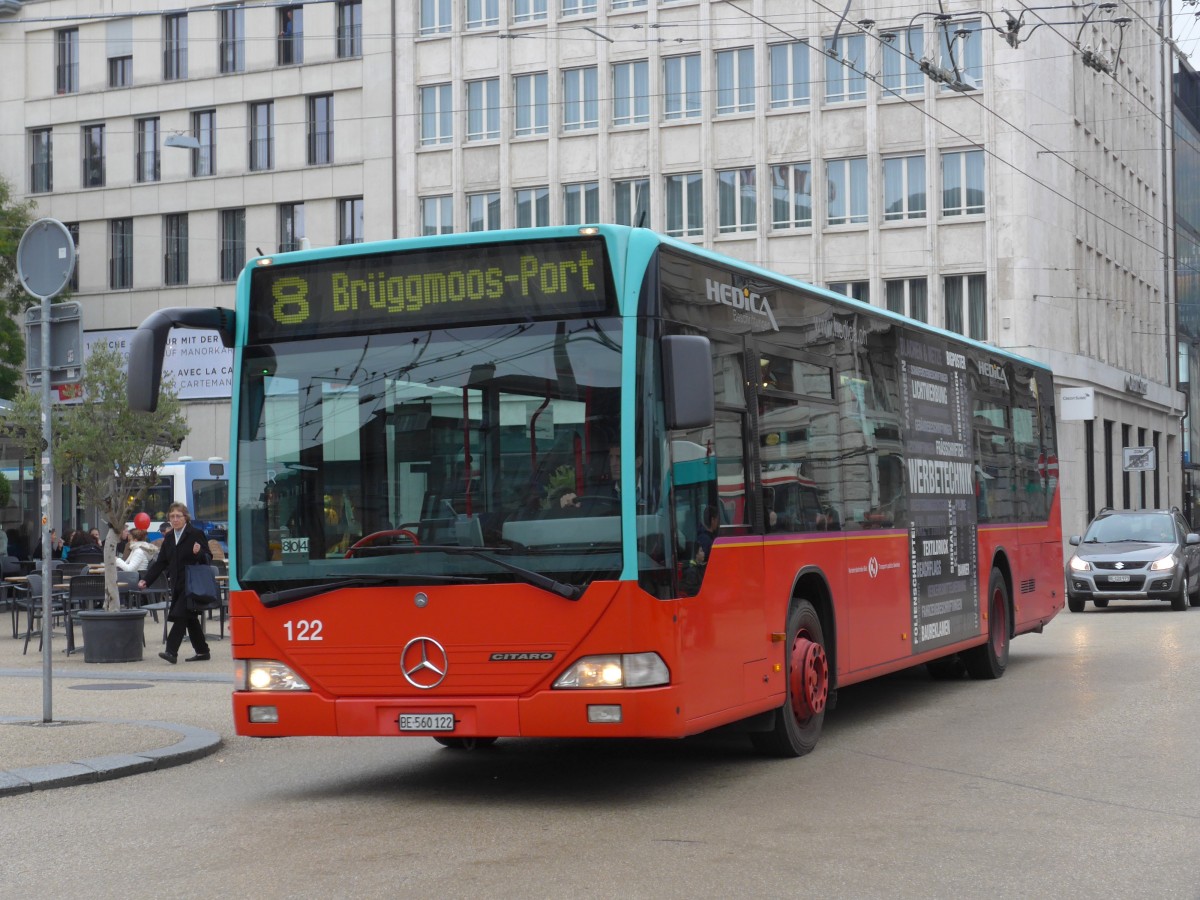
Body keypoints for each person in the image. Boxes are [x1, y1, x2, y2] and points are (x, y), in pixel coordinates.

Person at [140, 502, 212, 664]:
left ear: (185, 517)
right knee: (189, 618)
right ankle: (202, 651)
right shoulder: (170, 537)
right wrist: (146, 580)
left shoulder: (196, 533)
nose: (175, 519)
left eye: (178, 516)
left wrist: (199, 552)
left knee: (181, 615)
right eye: (172, 516)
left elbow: (208, 557)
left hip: (192, 583)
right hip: (177, 584)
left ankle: (171, 651)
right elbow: (161, 562)